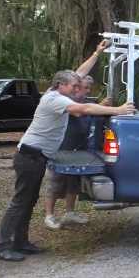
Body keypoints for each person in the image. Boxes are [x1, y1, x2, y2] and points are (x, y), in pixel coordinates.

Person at [0, 42, 136, 262]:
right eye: (73, 87)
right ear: (61, 85)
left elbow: (80, 72)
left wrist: (97, 53)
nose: (77, 90)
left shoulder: (58, 90)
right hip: (29, 156)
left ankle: (21, 242)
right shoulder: (55, 99)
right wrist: (117, 110)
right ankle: (2, 247)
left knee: (29, 200)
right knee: (20, 201)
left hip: (36, 156)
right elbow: (84, 109)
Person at [43, 74, 108, 230]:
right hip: (61, 150)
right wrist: (102, 107)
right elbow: (82, 112)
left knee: (73, 183)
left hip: (78, 151)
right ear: (77, 87)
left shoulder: (87, 103)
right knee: (55, 183)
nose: (86, 91)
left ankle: (70, 212)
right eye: (84, 88)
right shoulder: (67, 103)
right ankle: (49, 216)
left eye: (89, 89)